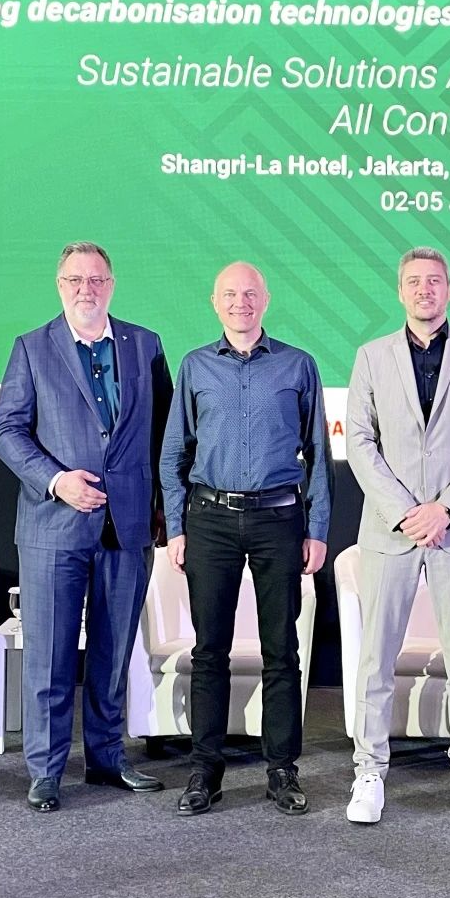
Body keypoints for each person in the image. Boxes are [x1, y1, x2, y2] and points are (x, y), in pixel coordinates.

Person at [0, 242, 172, 813]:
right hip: (54, 525)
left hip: (128, 525)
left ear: (111, 285)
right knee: (49, 657)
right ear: (59, 285)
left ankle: (107, 758)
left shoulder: (145, 345)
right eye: (74, 279)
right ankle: (45, 771)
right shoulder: (31, 347)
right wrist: (55, 480)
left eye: (95, 279)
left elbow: (166, 434)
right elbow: (7, 431)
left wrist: (163, 511)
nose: (85, 289)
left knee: (112, 653)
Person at [343, 247, 450, 832]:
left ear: (449, 290)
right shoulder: (371, 356)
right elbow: (359, 442)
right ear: (400, 291)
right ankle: (369, 772)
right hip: (389, 531)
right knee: (375, 660)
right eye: (414, 281)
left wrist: (445, 509)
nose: (424, 290)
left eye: (434, 281)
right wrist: (408, 512)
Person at [160, 261, 333, 817]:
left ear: (266, 299)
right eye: (230, 294)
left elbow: (318, 453)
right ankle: (204, 770)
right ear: (215, 302)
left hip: (278, 520)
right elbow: (174, 452)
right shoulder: (195, 366)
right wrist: (177, 527)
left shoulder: (298, 364)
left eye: (250, 293)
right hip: (209, 520)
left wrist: (318, 530)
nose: (241, 302)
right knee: (209, 650)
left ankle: (282, 769)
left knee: (282, 650)